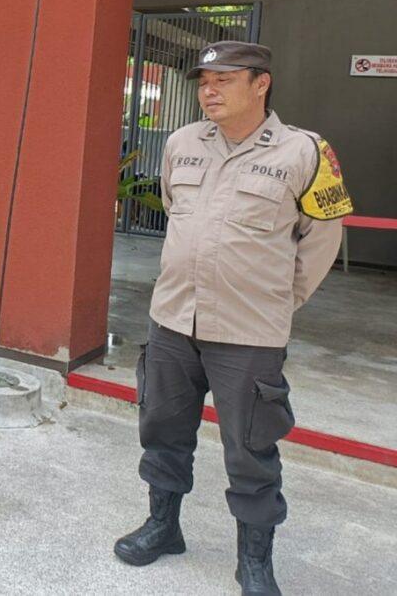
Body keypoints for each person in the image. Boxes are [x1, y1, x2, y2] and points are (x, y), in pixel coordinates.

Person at [113, 42, 353, 595]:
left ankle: (254, 562)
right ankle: (163, 526)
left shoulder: (304, 151)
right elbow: (176, 210)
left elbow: (321, 241)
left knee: (251, 447)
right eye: (204, 82)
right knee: (162, 430)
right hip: (173, 319)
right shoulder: (182, 143)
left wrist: (278, 300)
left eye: (223, 79)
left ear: (261, 83)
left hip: (248, 333)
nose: (209, 91)